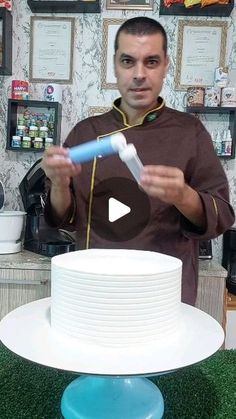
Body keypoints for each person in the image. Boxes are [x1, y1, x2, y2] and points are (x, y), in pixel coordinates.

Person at [42, 17, 235, 305]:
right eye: (128, 61)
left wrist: (184, 196)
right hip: (95, 290)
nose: (139, 74)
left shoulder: (190, 132)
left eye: (152, 61)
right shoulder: (86, 132)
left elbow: (222, 216)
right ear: (115, 65)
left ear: (166, 65)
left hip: (164, 294)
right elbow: (63, 218)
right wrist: (59, 183)